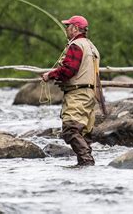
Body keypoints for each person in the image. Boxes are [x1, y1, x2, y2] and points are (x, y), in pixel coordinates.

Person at [41, 15, 102, 167]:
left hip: (78, 94)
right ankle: (85, 166)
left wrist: (51, 75)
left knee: (70, 129)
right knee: (83, 133)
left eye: (68, 26)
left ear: (75, 28)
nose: (66, 29)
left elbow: (69, 70)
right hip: (90, 95)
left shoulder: (76, 46)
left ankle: (87, 162)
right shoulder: (92, 46)